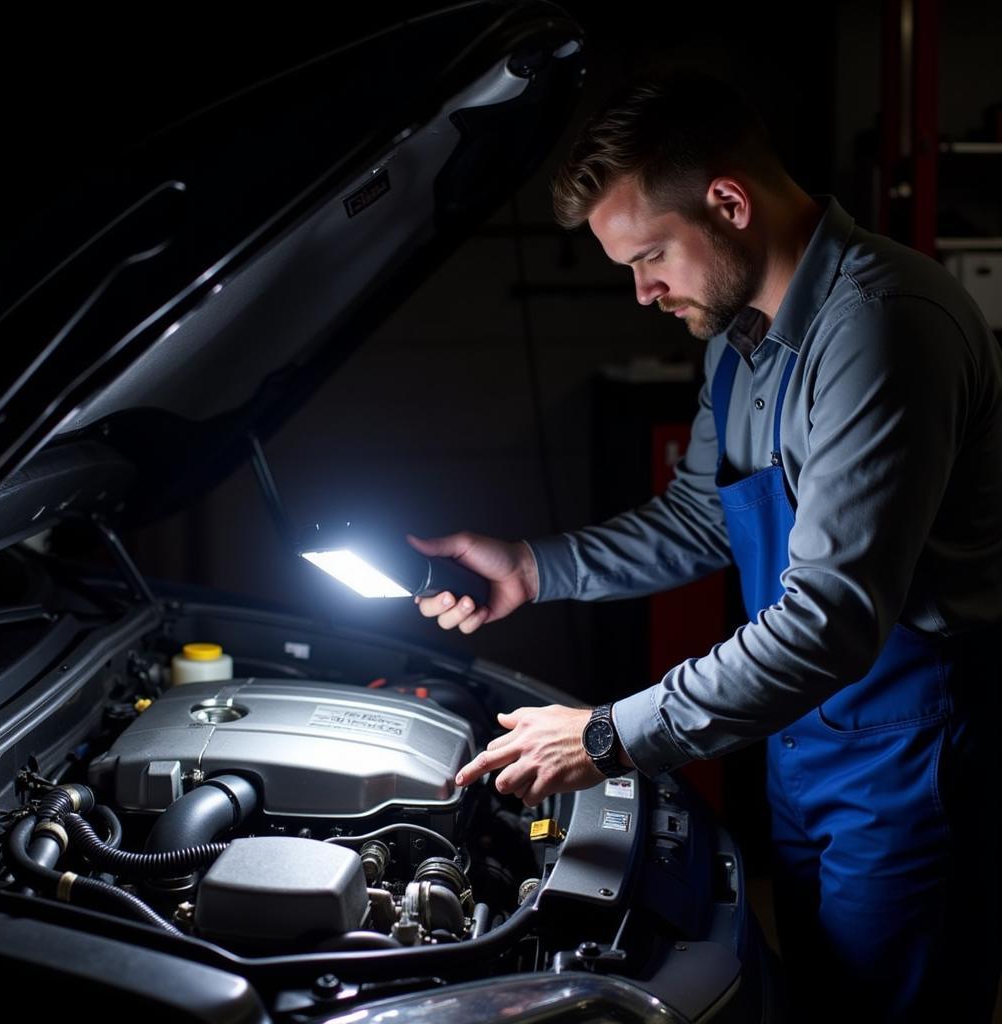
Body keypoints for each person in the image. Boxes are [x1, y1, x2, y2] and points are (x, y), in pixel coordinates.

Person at [411, 71, 1002, 1021]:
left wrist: (608, 734)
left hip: (908, 756)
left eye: (650, 257)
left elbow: (827, 624)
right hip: (807, 742)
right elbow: (701, 518)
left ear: (728, 203)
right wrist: (532, 566)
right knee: (824, 998)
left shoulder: (884, 328)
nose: (642, 293)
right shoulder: (739, 340)